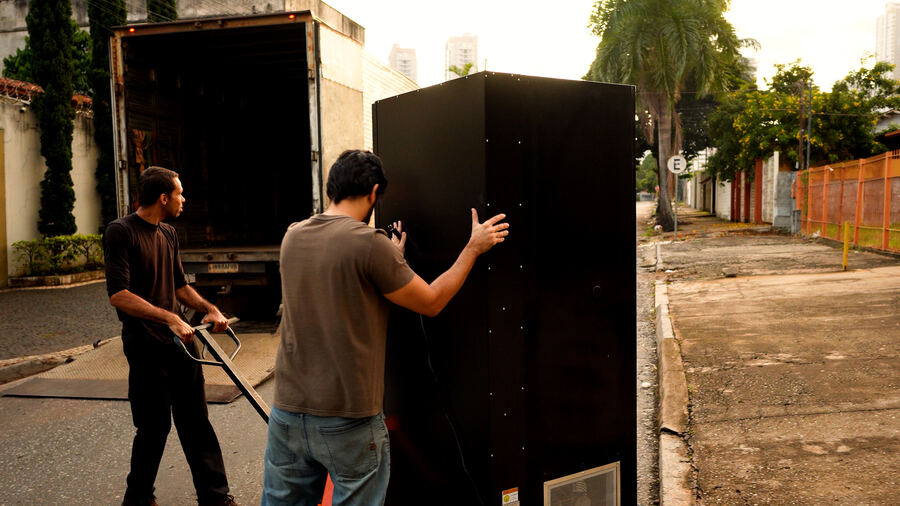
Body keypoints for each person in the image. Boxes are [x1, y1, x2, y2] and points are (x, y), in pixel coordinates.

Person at [262, 150, 509, 505]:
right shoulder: (369, 244)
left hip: (287, 412)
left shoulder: (293, 236)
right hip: (347, 418)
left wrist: (391, 260)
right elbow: (432, 301)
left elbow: (338, 282)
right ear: (374, 192)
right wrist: (473, 248)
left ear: (332, 187)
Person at [103, 166, 238, 506]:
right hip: (144, 343)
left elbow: (180, 287)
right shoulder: (121, 232)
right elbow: (119, 294)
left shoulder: (168, 233)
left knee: (196, 421)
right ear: (163, 198)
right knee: (154, 426)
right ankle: (138, 497)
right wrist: (169, 318)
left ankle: (215, 498)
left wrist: (209, 309)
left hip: (180, 343)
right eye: (179, 193)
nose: (183, 199)